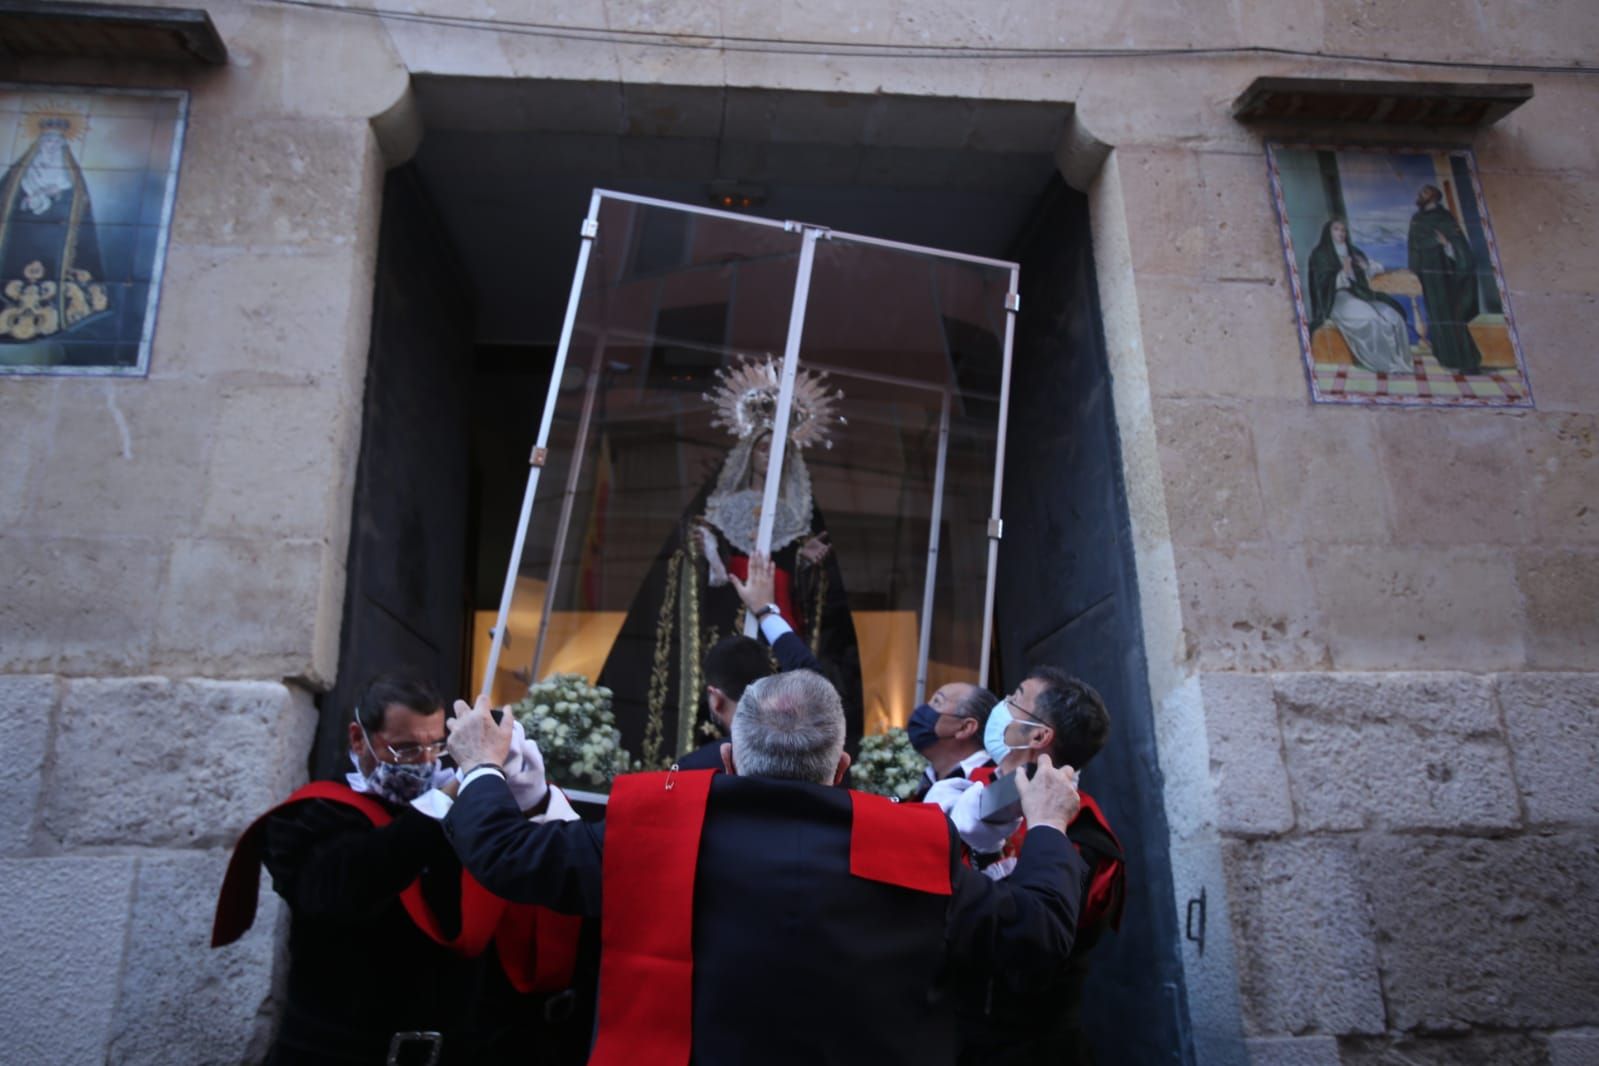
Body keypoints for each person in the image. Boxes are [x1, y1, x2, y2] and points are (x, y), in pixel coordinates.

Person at [442, 669, 1090, 1066]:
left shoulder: (650, 833)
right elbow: (1034, 932)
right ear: (841, 770)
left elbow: (503, 854)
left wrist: (478, 763)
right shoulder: (914, 843)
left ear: (727, 759)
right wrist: (1048, 826)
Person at [210, 675, 589, 1066]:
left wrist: (533, 801)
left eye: (436, 746)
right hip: (338, 1053)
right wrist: (447, 800)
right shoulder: (312, 815)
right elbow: (342, 889)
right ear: (359, 739)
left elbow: (535, 872)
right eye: (405, 749)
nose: (426, 761)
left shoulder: (466, 815)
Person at [597, 357, 862, 770]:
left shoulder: (801, 515)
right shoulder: (720, 505)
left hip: (779, 615)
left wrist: (807, 564)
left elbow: (815, 591)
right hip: (726, 615)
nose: (769, 457)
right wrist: (708, 555)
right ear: (748, 451)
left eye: (779, 450)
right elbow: (694, 557)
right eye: (762, 447)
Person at [926, 666, 1126, 1066]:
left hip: (1024, 1046)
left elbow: (1032, 940)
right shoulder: (961, 789)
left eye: (1014, 698)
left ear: (1038, 736)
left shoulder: (1084, 840)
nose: (1000, 706)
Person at [1306, 217, 1414, 375]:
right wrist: (1343, 272)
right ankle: (1385, 364)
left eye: (1343, 230)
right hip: (1337, 298)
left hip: (1361, 294)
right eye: (1336, 229)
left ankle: (1400, 362)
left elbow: (1371, 270)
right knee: (1370, 318)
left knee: (1393, 317)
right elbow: (1320, 284)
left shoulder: (1353, 251)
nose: (1341, 233)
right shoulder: (1320, 254)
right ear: (1328, 232)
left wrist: (1366, 267)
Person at [1407, 184, 1484, 372]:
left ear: (1434, 197)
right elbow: (1413, 246)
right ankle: (1447, 359)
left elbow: (1459, 247)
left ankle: (1468, 361)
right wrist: (1416, 269)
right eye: (1421, 192)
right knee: (1437, 317)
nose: (1420, 194)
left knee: (1452, 317)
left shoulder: (1445, 218)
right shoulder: (1417, 219)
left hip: (1446, 275)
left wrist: (1446, 244)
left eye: (1424, 192)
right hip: (1428, 276)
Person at [906, 681, 996, 801]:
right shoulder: (928, 781)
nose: (925, 708)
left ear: (965, 728)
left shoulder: (989, 789)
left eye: (937, 701)